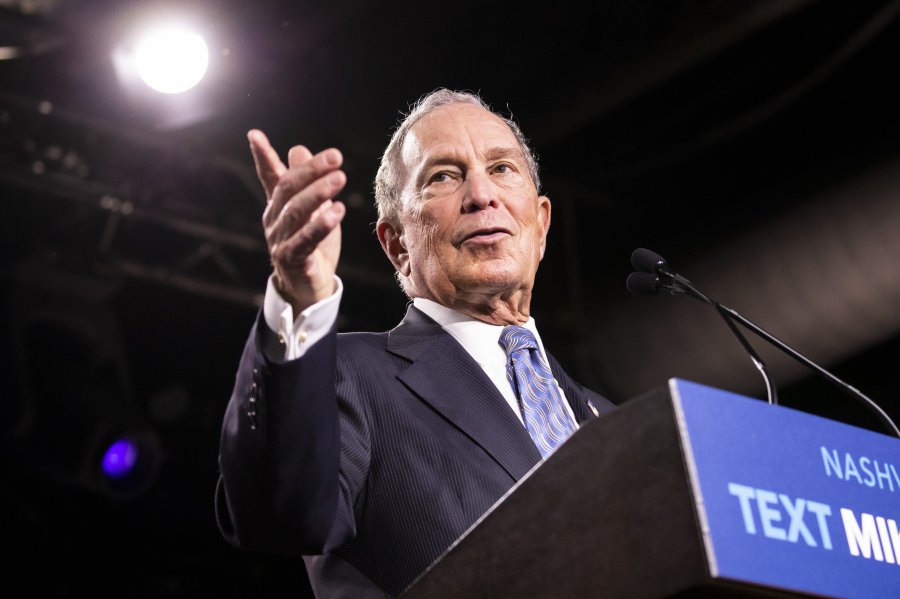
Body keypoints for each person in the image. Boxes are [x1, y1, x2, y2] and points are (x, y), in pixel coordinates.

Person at [215, 88, 616, 598]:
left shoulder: (607, 417)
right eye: (443, 176)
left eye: (502, 168)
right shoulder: (349, 374)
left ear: (540, 224)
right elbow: (280, 514)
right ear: (396, 243)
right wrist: (298, 300)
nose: (481, 195)